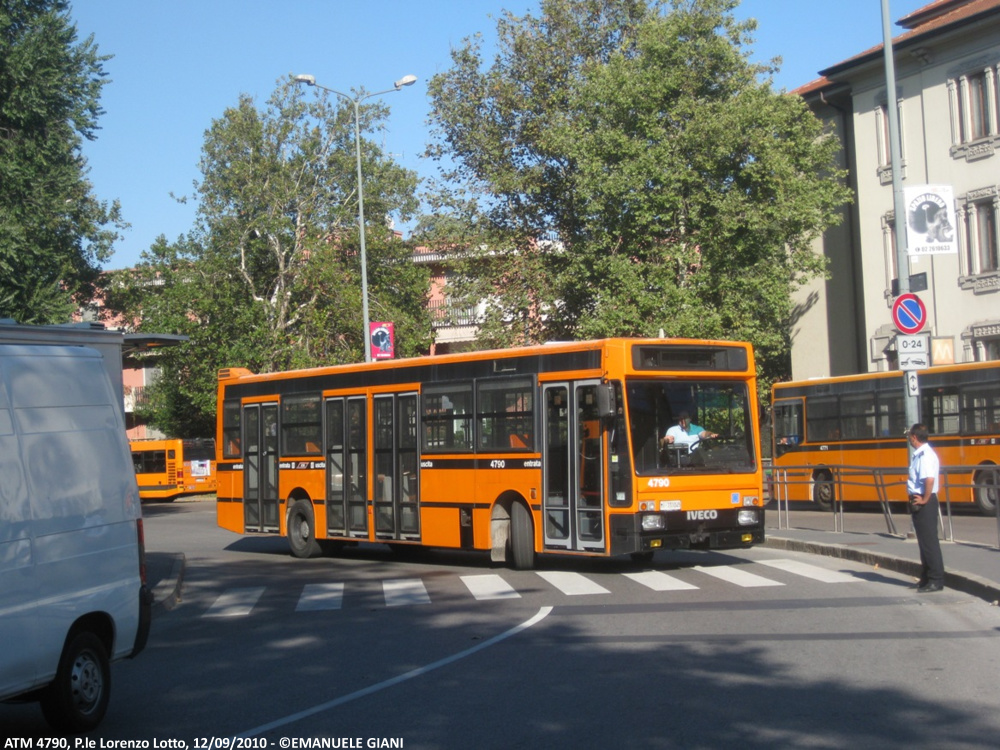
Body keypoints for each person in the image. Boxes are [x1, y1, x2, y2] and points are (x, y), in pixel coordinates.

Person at [907, 423, 945, 593]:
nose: (909, 439)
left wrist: (925, 499)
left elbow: (929, 479)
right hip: (920, 500)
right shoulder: (920, 454)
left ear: (915, 437)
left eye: (909, 436)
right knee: (923, 542)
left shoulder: (926, 455)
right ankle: (926, 578)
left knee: (929, 542)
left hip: (925, 502)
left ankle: (936, 580)